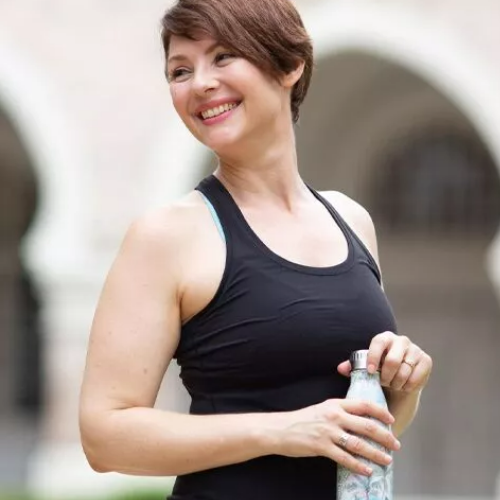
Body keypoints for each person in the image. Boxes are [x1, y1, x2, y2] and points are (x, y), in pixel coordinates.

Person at [79, 0, 433, 498]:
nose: (200, 82)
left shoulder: (352, 221)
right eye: (180, 70)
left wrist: (404, 385)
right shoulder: (169, 235)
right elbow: (104, 437)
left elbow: (369, 435)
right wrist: (279, 430)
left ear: (290, 65)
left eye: (223, 57)